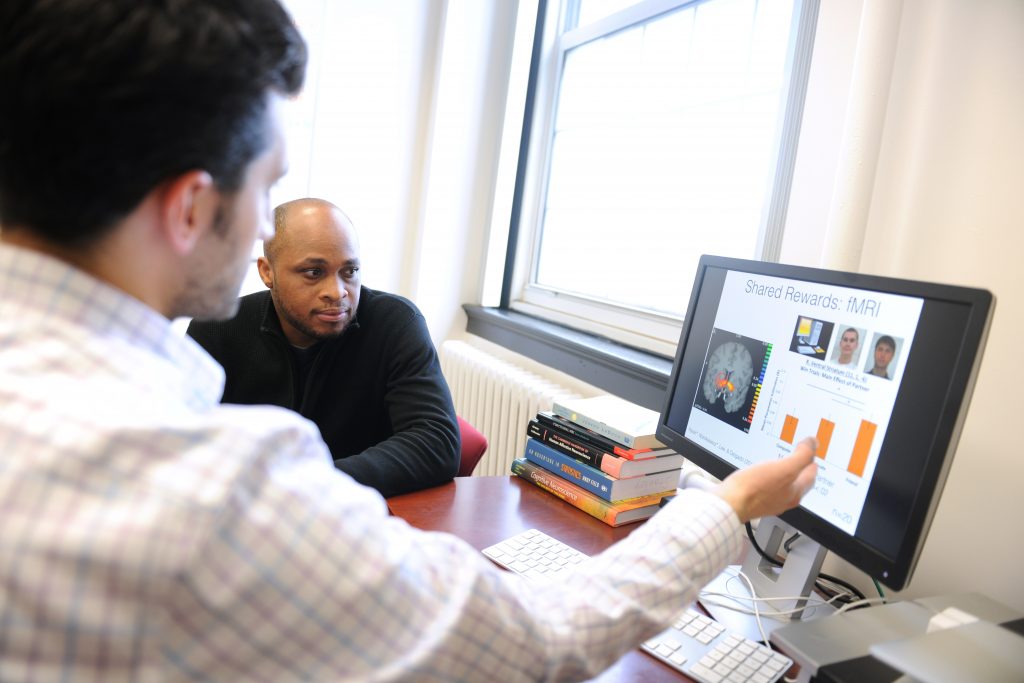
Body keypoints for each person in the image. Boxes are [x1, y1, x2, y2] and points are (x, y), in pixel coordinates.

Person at [0, 1, 819, 680]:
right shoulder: (211, 488)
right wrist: (730, 503)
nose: (336, 291)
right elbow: (545, 638)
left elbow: (430, 438)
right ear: (191, 209)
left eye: (348, 269)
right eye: (267, 185)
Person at [187, 198, 459, 497]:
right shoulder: (218, 327)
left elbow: (436, 442)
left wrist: (310, 483)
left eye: (349, 271)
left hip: (354, 514)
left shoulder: (395, 323)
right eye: (314, 272)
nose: (337, 292)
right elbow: (184, 440)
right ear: (267, 272)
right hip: (246, 513)